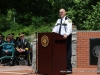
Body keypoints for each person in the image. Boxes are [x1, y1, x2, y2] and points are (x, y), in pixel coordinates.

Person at [52, 8, 72, 74]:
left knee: (67, 54)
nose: (60, 13)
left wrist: (66, 34)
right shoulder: (58, 20)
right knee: (59, 54)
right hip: (59, 39)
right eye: (59, 12)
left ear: (65, 12)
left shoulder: (68, 20)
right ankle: (60, 67)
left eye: (62, 12)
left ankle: (69, 69)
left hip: (66, 39)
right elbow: (55, 28)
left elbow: (69, 29)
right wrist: (52, 33)